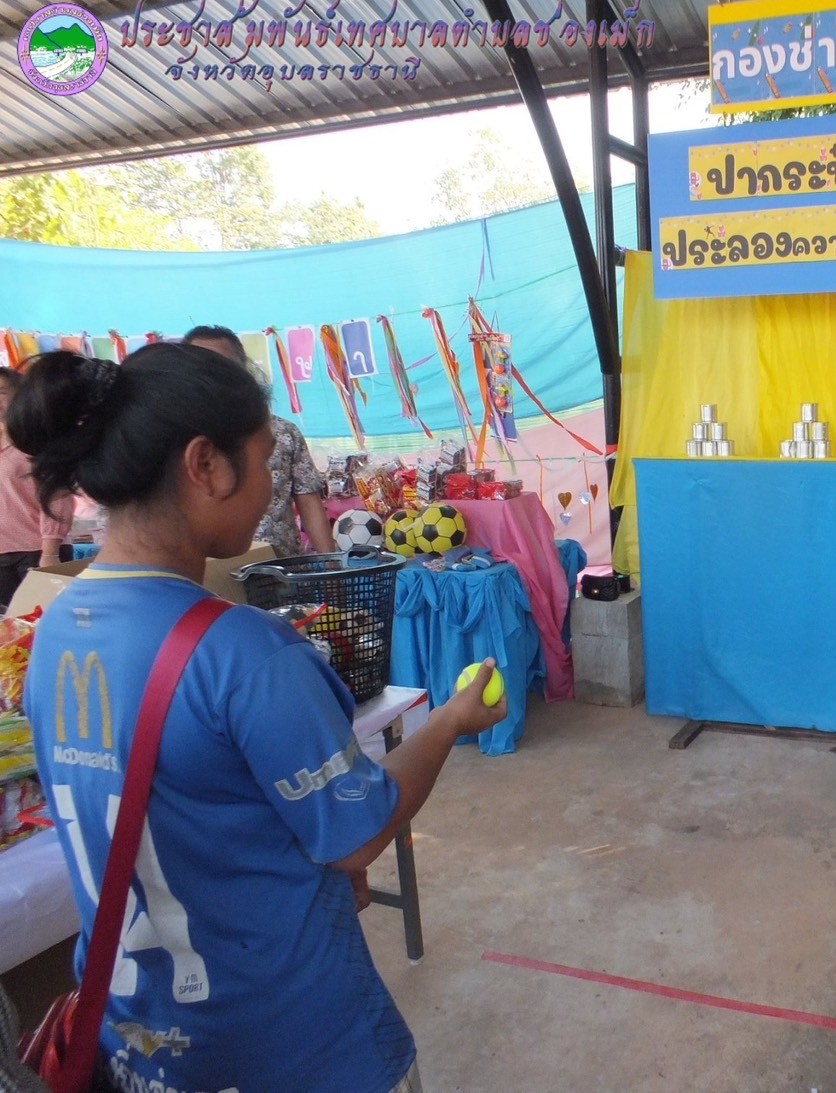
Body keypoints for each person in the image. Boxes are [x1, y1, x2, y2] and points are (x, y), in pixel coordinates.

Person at [10, 345, 507, 1093]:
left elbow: (191, 803)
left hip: (141, 1040)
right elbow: (355, 836)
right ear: (205, 465)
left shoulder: (54, 628)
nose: (274, 481)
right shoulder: (243, 649)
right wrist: (449, 722)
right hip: (288, 1039)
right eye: (265, 457)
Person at [183, 324, 335, 557]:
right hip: (206, 572)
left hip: (280, 569)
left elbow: (309, 503)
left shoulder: (283, 433)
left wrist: (331, 566)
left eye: (225, 367)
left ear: (244, 372)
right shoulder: (174, 438)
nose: (214, 376)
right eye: (203, 366)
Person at [0, 366, 73, 609]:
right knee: (9, 626)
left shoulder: (37, 441)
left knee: (42, 618)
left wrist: (50, 552)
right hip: (2, 555)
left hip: (38, 550)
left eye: (2, 392)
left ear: (21, 396)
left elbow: (57, 495)